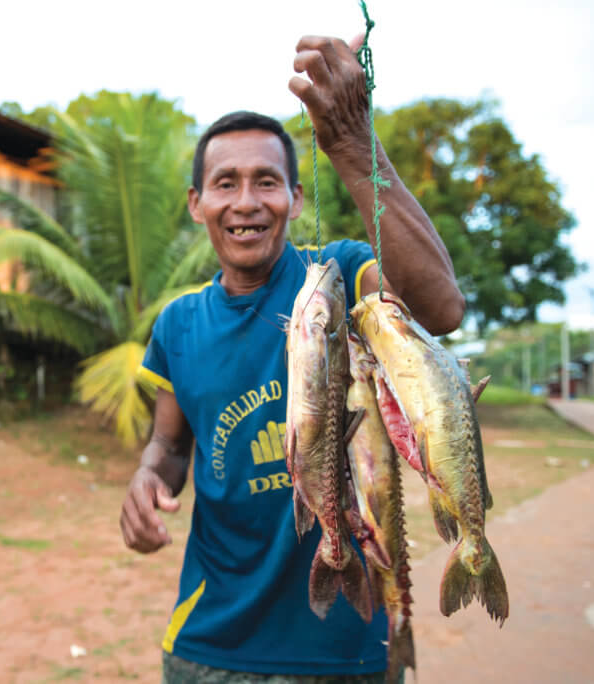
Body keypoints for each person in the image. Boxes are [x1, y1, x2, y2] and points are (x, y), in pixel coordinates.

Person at [120, 34, 464, 682]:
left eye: (267, 182)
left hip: (346, 647)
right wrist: (147, 482)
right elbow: (168, 448)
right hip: (209, 647)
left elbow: (441, 308)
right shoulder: (177, 325)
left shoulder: (339, 278)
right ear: (197, 204)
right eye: (226, 183)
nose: (246, 201)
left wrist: (353, 148)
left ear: (296, 199)